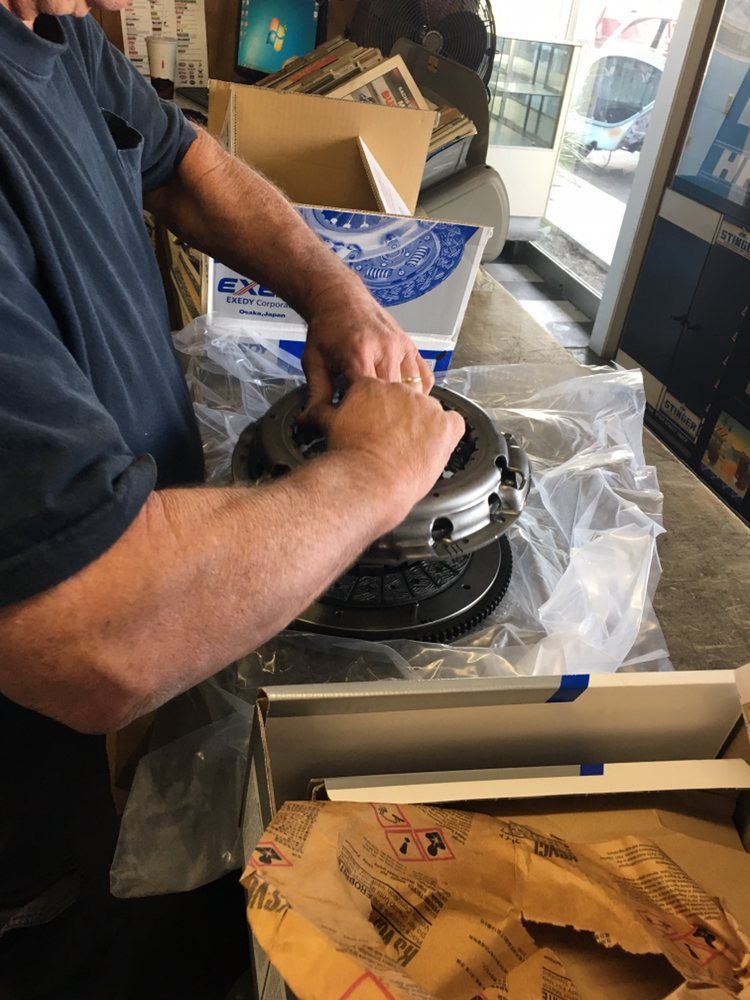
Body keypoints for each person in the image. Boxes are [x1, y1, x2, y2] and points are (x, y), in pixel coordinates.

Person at [0, 0, 465, 994]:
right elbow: (95, 636)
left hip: (141, 694)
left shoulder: (52, 28)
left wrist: (336, 292)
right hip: (34, 808)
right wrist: (375, 476)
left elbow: (183, 164)